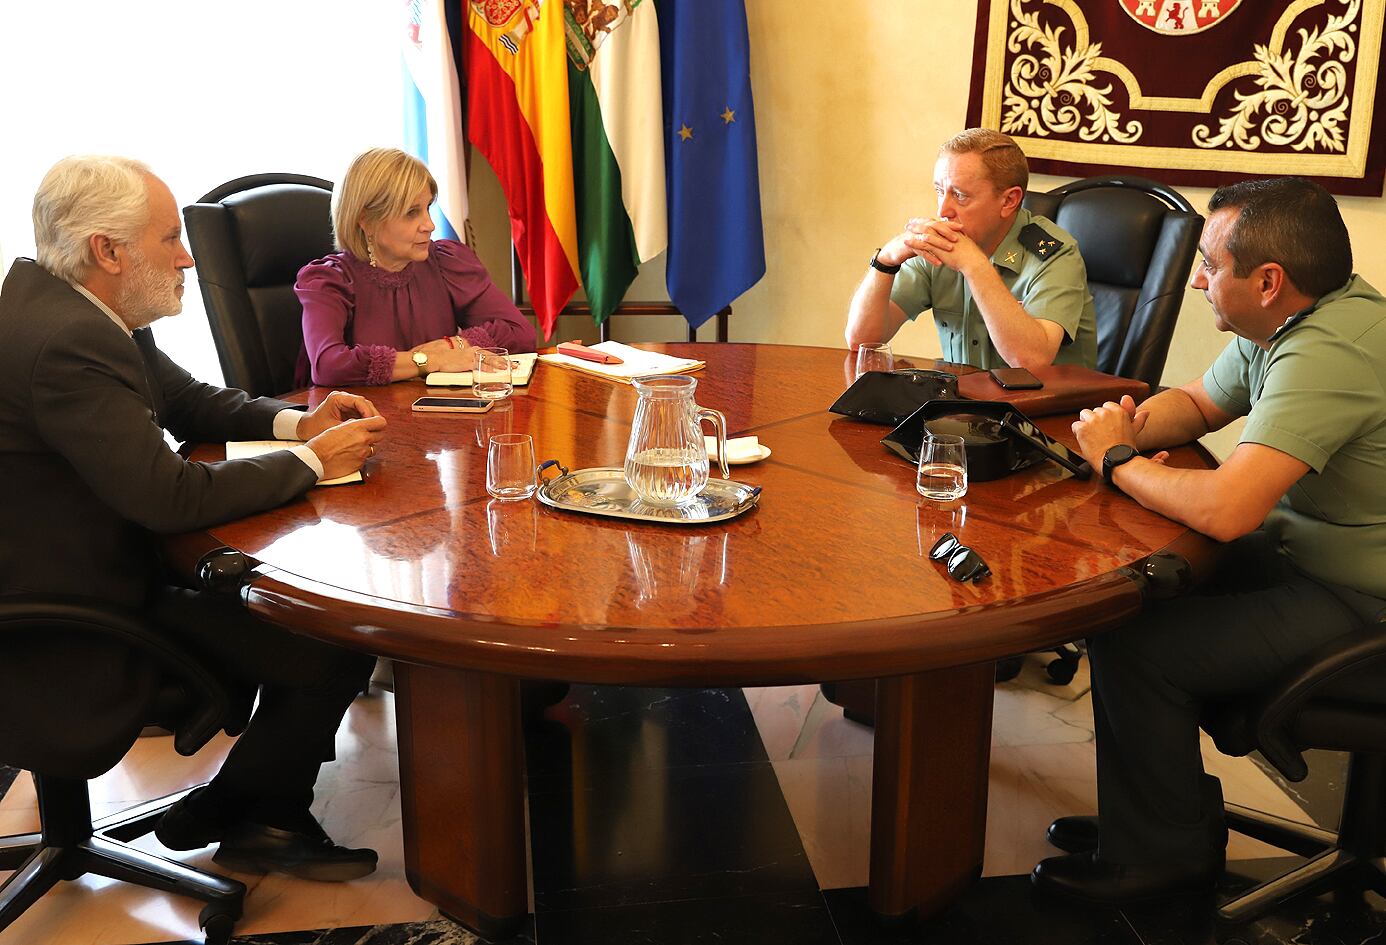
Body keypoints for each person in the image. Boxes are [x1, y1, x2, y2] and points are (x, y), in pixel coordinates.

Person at [0, 155, 389, 881]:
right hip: (68, 615)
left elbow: (189, 402)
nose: (186, 257)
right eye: (170, 237)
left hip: (83, 564)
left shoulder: (79, 305)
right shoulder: (67, 343)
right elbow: (169, 496)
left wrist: (300, 425)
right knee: (333, 634)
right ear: (106, 251)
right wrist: (315, 465)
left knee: (300, 611)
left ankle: (240, 804)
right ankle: (257, 812)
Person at [1032, 177, 1386, 904]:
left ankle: (1164, 858)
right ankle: (1157, 817)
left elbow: (1227, 511)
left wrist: (1119, 462)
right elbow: (1196, 402)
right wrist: (1123, 428)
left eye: (1210, 264)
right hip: (1305, 554)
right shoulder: (1290, 321)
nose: (1198, 279)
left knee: (1141, 646)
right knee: (1129, 594)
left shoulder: (1330, 352)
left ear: (1267, 280)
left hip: (1362, 599)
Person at [845, 128, 1097, 372]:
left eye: (960, 195)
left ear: (1008, 201)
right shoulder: (941, 244)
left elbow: (1031, 361)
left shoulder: (1056, 256)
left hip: (1049, 412)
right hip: (965, 407)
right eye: (939, 191)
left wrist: (975, 266)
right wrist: (885, 261)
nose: (943, 211)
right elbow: (861, 341)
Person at [295, 147, 534, 386]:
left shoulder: (445, 262)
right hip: (362, 418)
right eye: (411, 213)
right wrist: (427, 360)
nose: (429, 225)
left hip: (437, 411)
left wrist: (451, 346)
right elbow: (328, 366)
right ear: (366, 220)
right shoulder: (330, 280)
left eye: (427, 207)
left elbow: (520, 333)